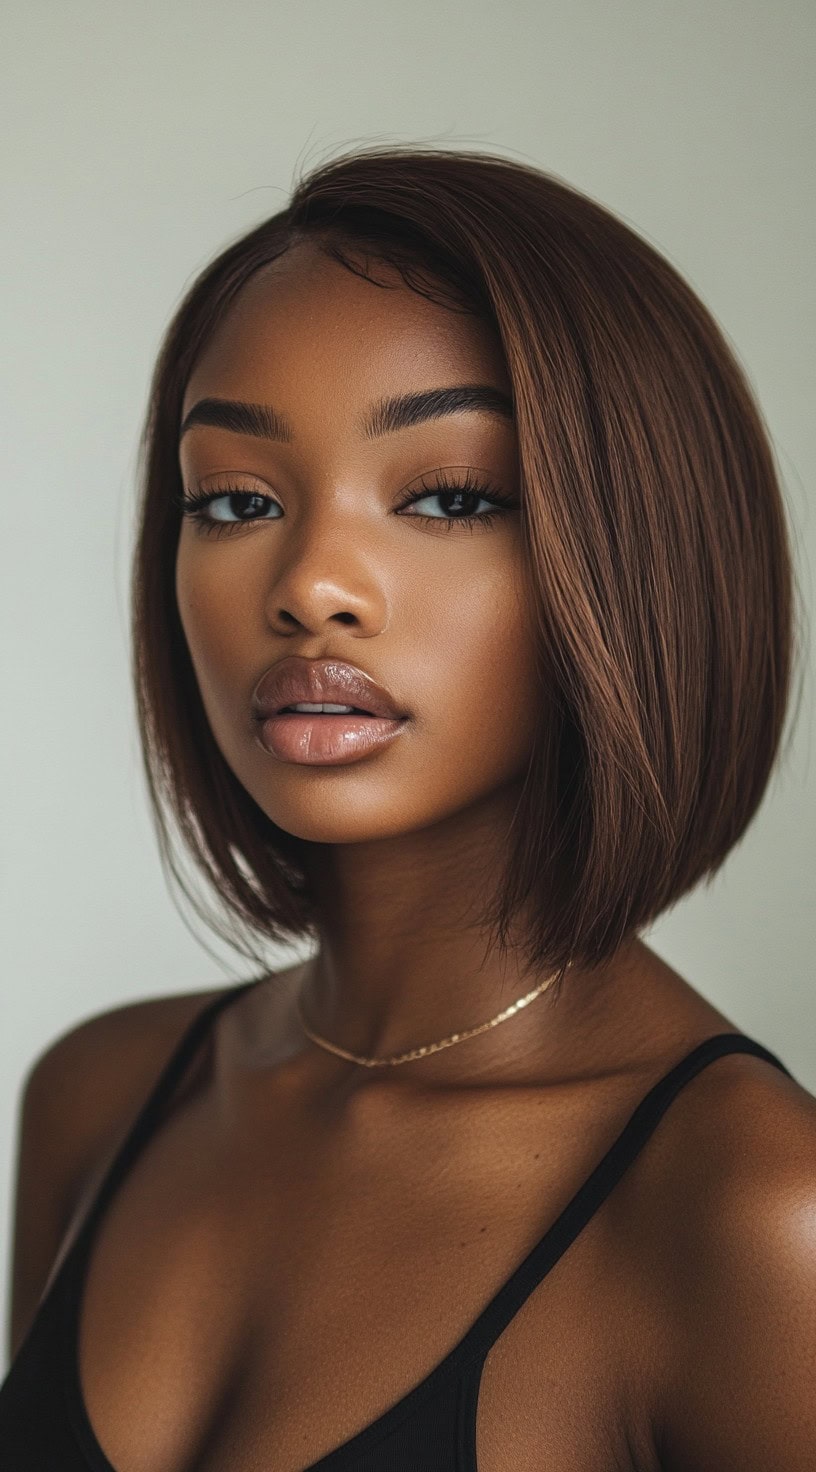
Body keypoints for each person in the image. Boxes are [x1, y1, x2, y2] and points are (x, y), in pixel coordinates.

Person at [2, 143, 814, 1470]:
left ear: (637, 555)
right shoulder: (99, 1099)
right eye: (237, 500)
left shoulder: (753, 1219)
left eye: (446, 496)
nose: (313, 583)